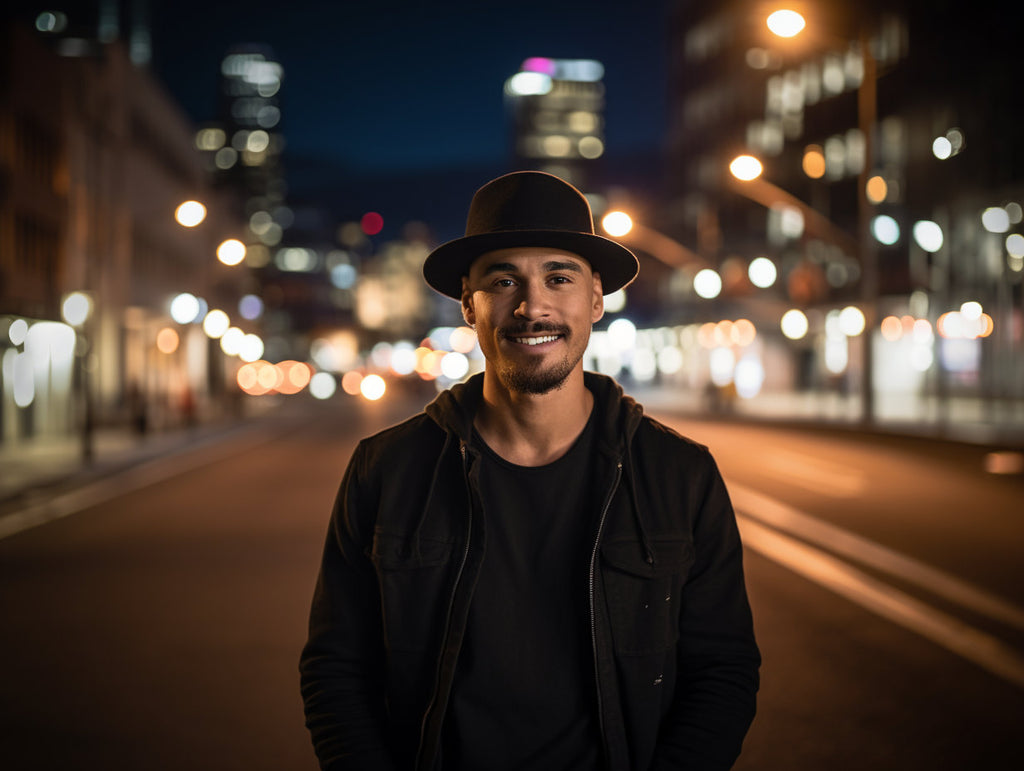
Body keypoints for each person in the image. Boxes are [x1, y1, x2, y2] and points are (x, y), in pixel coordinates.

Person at [300, 171, 760, 771]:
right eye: (503, 279)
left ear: (595, 299)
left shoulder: (680, 474)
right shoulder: (385, 471)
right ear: (469, 303)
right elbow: (337, 667)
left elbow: (723, 670)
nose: (532, 305)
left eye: (558, 277)